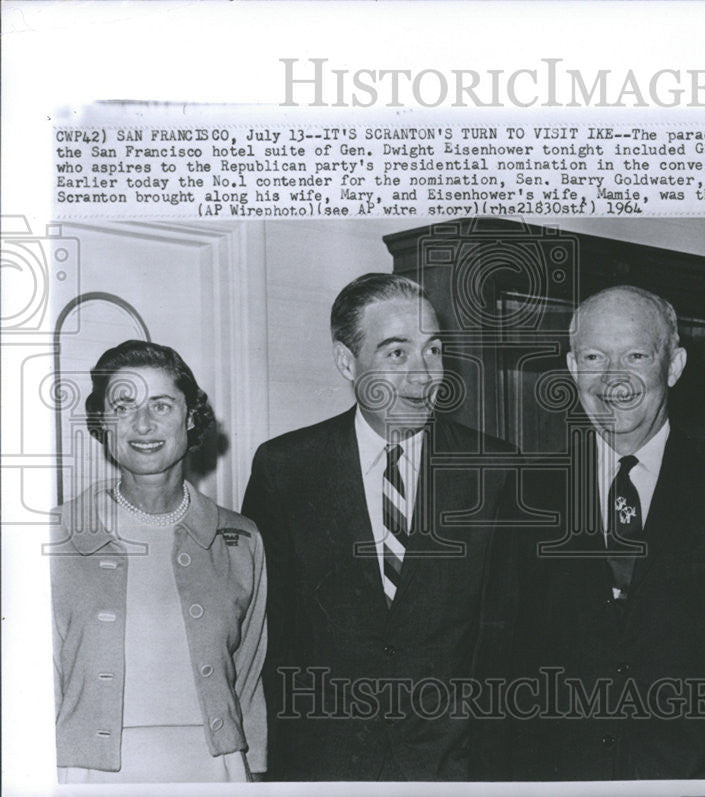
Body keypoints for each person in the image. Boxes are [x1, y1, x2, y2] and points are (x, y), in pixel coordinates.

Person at [241, 273, 514, 781]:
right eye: (396, 353)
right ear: (348, 361)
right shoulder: (286, 469)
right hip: (322, 765)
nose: (422, 377)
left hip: (452, 766)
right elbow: (267, 634)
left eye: (432, 351)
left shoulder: (494, 470)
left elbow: (509, 637)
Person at [512, 285, 705, 779]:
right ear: (573, 369)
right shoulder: (522, 495)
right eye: (595, 356)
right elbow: (500, 663)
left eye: (636, 355)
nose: (614, 378)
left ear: (675, 366)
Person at [50, 340, 267, 783]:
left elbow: (248, 680)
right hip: (87, 774)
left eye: (162, 405)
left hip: (214, 771)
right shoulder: (55, 535)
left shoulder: (241, 539)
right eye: (124, 406)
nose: (143, 424)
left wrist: (256, 774)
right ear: (103, 423)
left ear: (190, 417)